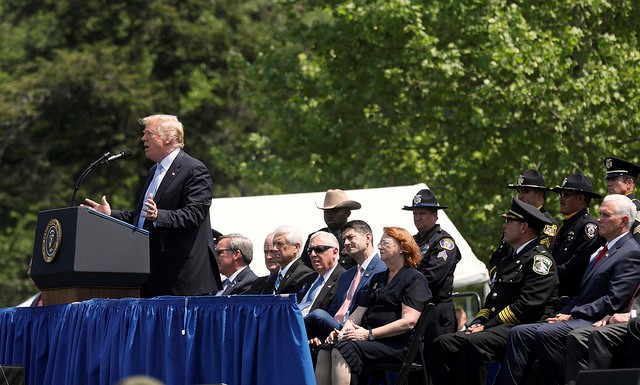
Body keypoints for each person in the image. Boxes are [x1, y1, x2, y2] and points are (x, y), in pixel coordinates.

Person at [497, 194, 640, 385]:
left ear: (623, 221)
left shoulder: (630, 252)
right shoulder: (605, 250)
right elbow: (582, 294)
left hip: (596, 319)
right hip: (580, 315)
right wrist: (563, 312)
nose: (599, 219)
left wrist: (572, 314)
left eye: (606, 215)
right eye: (600, 214)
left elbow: (614, 301)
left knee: (546, 333)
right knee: (520, 333)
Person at [83, 114, 220, 297]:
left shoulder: (193, 169)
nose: (143, 138)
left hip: (183, 278)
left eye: (149, 133)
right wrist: (110, 214)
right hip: (152, 274)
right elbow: (141, 218)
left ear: (168, 138)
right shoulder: (154, 171)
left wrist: (159, 216)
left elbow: (194, 214)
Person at [429, 198, 558, 385]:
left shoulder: (540, 261)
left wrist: (487, 326)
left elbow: (525, 307)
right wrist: (478, 321)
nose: (504, 226)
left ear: (524, 227)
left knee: (472, 342)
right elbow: (492, 301)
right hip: (498, 326)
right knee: (443, 343)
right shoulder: (509, 260)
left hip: (524, 327)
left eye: (509, 222)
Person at [314, 226, 432, 385]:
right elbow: (357, 314)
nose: (380, 246)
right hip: (371, 340)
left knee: (342, 349)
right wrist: (340, 333)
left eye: (386, 243)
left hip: (397, 344)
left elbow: (408, 322)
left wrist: (369, 334)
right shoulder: (379, 278)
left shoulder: (413, 279)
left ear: (402, 248)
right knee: (327, 347)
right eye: (380, 243)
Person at [305, 220, 388, 342]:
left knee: (317, 315)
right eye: (344, 240)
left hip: (356, 330)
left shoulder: (382, 269)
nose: (346, 243)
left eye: (350, 237)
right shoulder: (347, 275)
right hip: (335, 329)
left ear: (368, 238)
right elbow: (334, 309)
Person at [401, 188, 461, 346]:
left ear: (435, 215)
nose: (418, 218)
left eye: (422, 213)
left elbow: (432, 278)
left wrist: (404, 287)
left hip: (436, 311)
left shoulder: (444, 242)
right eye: (415, 213)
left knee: (438, 360)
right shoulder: (411, 242)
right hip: (414, 309)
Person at [488, 169, 558, 283]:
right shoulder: (514, 220)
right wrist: (497, 275)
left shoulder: (548, 224)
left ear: (539, 196)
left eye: (525, 191)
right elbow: (499, 255)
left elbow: (535, 257)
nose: (520, 196)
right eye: (519, 191)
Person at [550, 173, 603, 298]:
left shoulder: (587, 226)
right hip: (555, 292)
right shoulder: (567, 224)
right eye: (560, 194)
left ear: (580, 198)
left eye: (566, 195)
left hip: (571, 297)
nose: (560, 198)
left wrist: (547, 275)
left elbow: (577, 265)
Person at [300, 189, 362, 270]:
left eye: (335, 211)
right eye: (326, 211)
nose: (330, 214)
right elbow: (305, 269)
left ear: (347, 213)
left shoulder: (355, 237)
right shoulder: (315, 238)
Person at [297, 231, 346, 316]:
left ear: (334, 252)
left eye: (318, 249)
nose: (312, 254)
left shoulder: (344, 279)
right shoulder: (306, 279)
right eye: (310, 250)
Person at [259, 225, 314, 301]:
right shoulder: (272, 278)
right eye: (274, 244)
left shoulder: (304, 274)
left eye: (279, 244)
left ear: (296, 247)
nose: (274, 248)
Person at [604, 156, 640, 242]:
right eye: (608, 180)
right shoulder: (611, 206)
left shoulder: (636, 209)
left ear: (629, 183)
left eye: (614, 179)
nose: (609, 183)